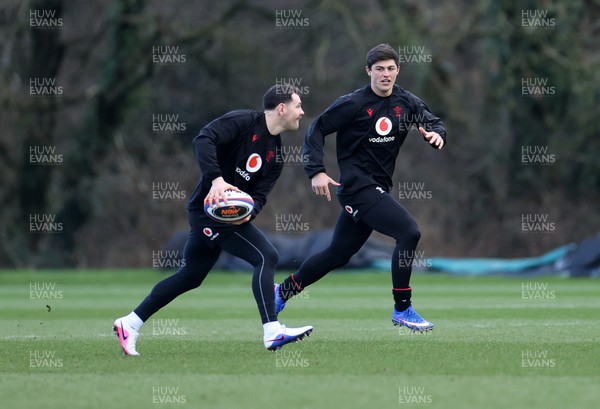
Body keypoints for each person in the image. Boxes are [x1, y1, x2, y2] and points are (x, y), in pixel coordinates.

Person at [113, 85, 313, 355]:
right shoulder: (243, 122)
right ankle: (272, 330)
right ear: (281, 108)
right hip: (205, 212)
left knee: (190, 276)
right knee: (266, 256)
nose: (302, 112)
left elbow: (259, 197)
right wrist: (217, 181)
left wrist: (244, 211)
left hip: (227, 219)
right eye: (298, 106)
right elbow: (203, 139)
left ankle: (129, 323)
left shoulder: (276, 156)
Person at [275, 44, 446, 332]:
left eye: (391, 68)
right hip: (357, 188)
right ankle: (402, 308)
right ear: (368, 71)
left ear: (398, 70)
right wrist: (316, 171)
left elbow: (434, 122)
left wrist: (436, 134)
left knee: (338, 254)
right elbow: (315, 128)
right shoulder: (353, 103)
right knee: (409, 232)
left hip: (377, 189)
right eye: (379, 69)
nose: (385, 74)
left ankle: (281, 293)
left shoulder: (406, 102)